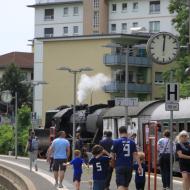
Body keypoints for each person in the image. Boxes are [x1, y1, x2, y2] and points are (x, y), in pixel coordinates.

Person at [111, 126, 142, 190]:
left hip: (119, 165)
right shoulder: (132, 142)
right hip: (129, 166)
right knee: (126, 185)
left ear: (119, 132)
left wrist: (113, 164)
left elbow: (112, 155)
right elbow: (136, 155)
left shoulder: (116, 142)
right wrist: (140, 166)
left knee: (120, 185)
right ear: (126, 132)